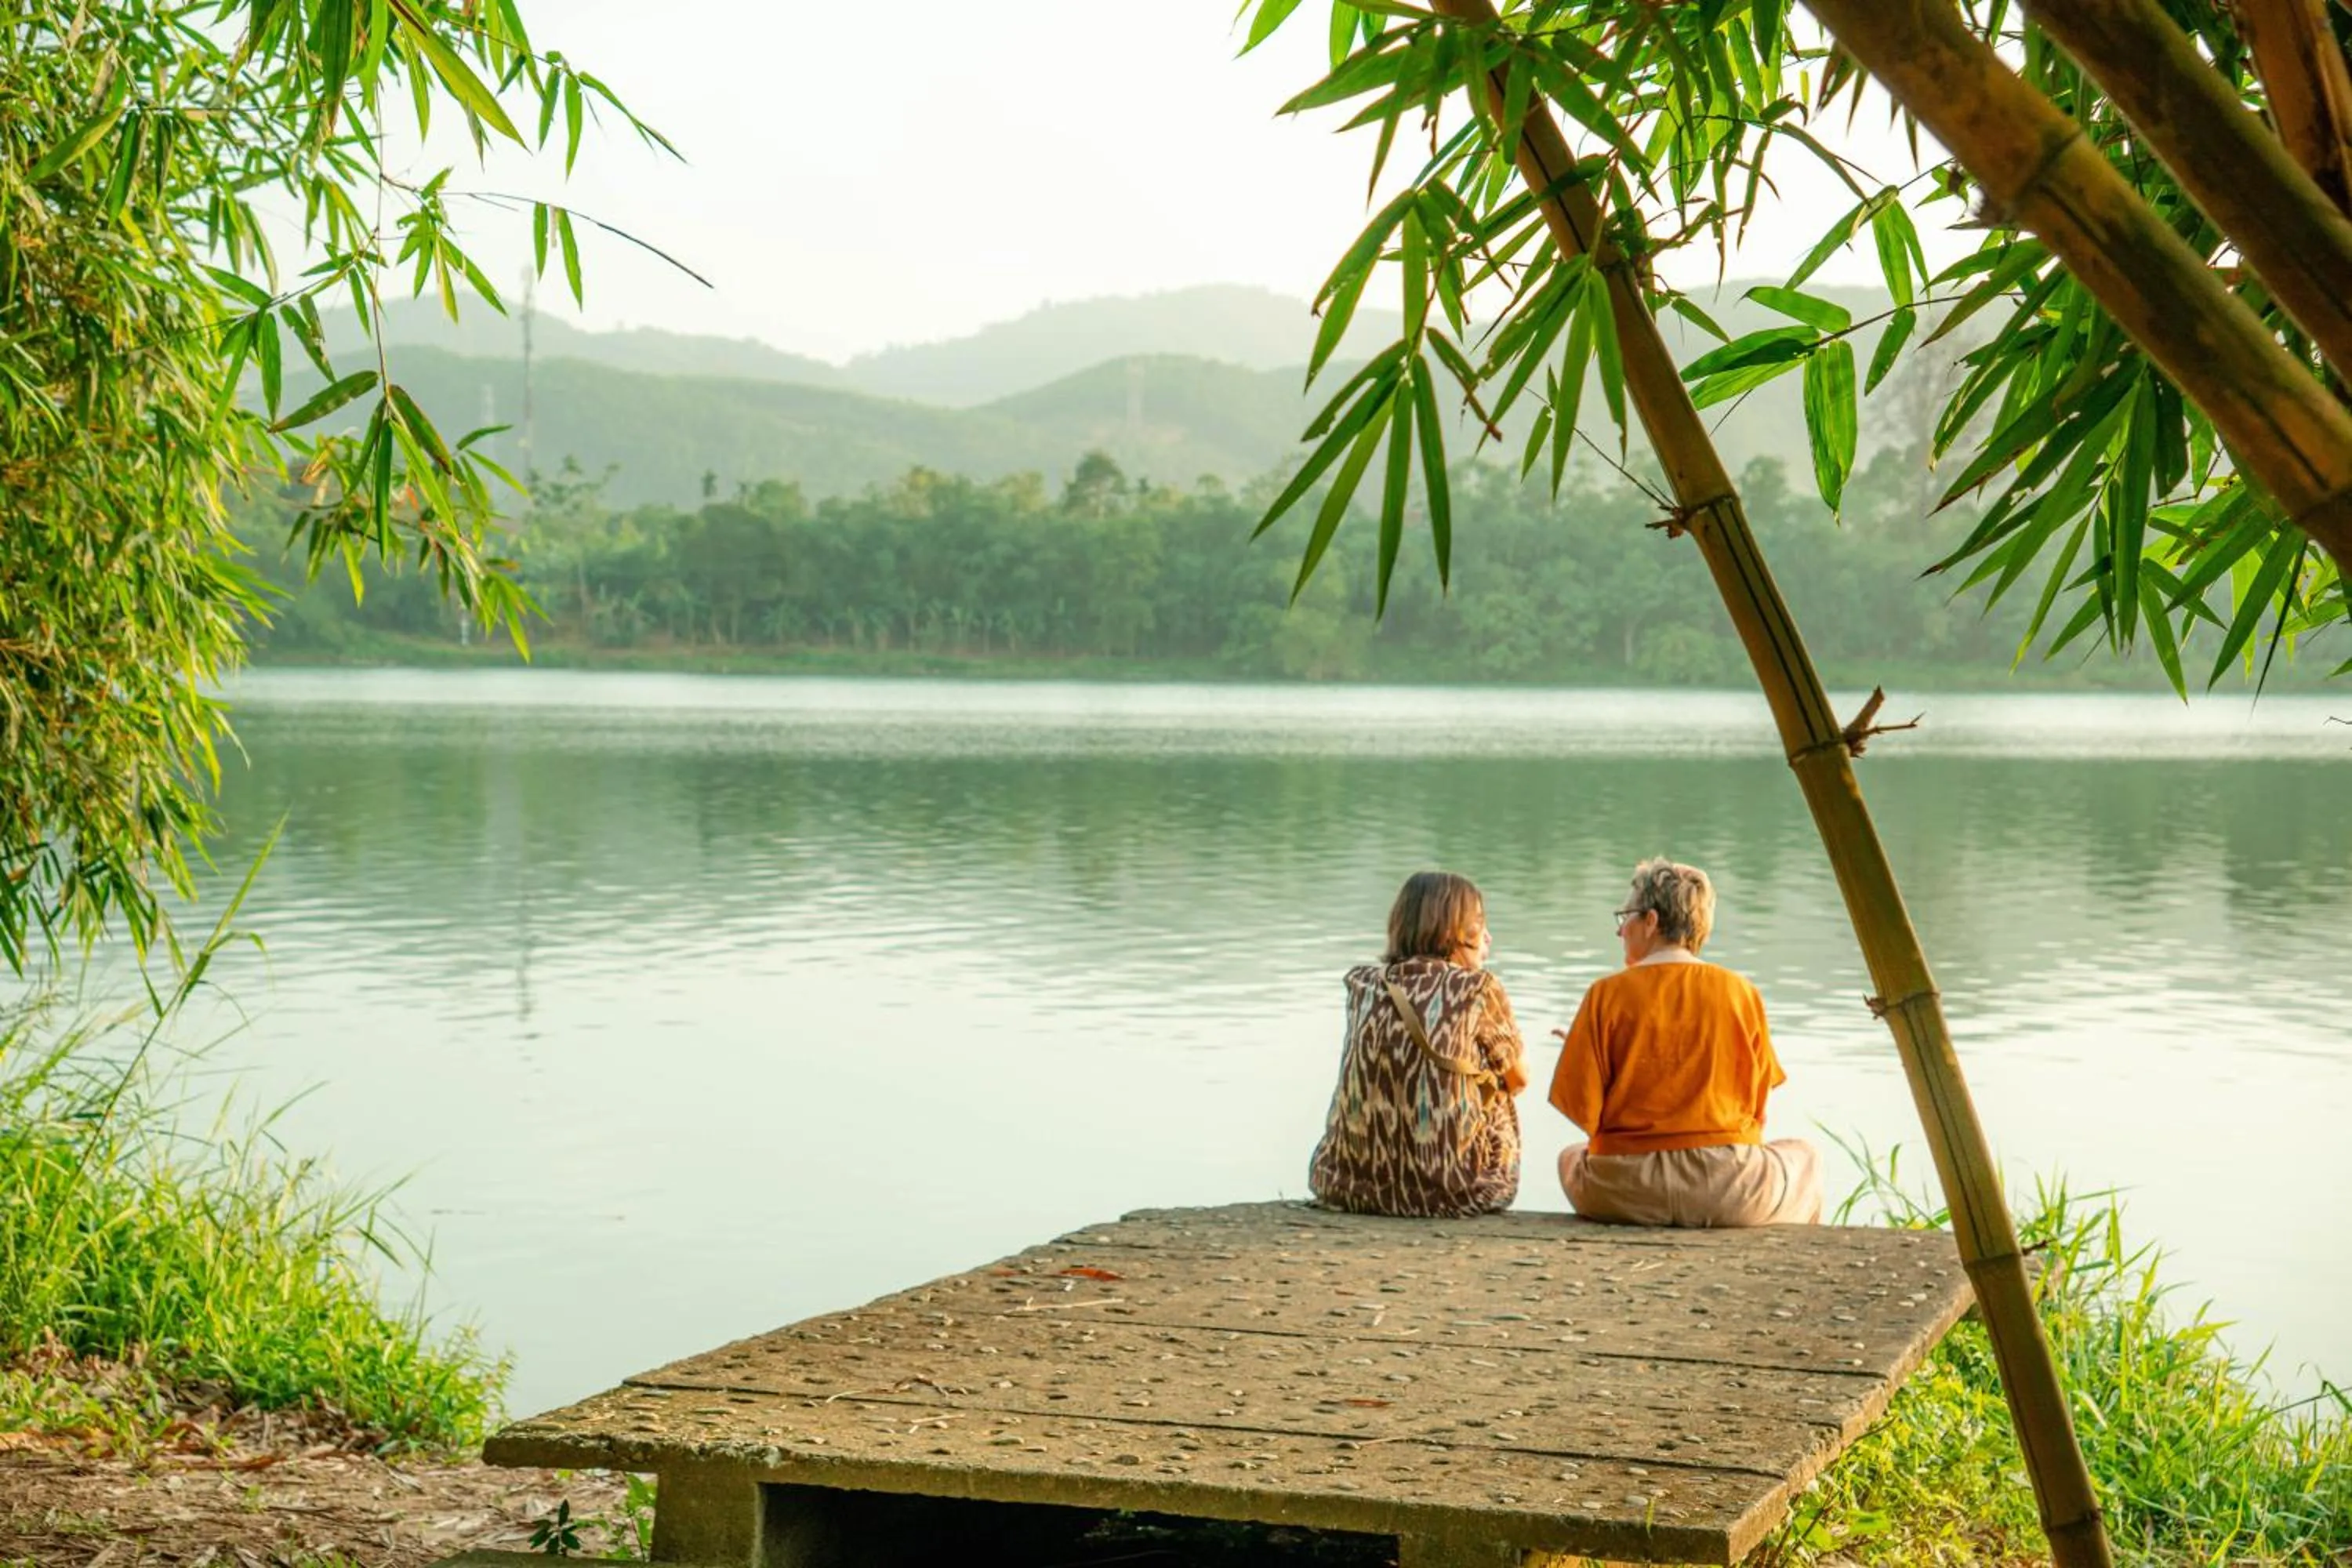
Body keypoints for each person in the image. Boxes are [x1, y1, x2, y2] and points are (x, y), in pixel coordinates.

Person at [1548, 858, 1821, 1227]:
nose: (1620, 931)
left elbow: (1586, 1119)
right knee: (1804, 1155)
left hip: (1625, 1193)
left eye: (1625, 916)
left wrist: (1584, 1055)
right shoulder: (1741, 992)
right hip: (1727, 1191)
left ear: (1651, 921)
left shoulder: (1605, 994)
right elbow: (1757, 1114)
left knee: (1570, 1156)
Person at [1308, 871, 1530, 1218]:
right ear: (1451, 932)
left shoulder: (1362, 984)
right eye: (1479, 925)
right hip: (1453, 1195)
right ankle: (1451, 1171)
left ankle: (1369, 1166)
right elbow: (1519, 1080)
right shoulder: (1478, 987)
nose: (1488, 937)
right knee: (1499, 1091)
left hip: (1346, 1186)